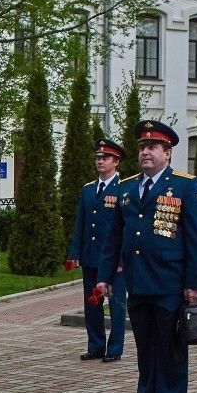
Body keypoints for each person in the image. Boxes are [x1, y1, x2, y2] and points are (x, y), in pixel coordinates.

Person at [100, 120, 197, 393]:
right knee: (145, 345)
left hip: (170, 281)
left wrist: (194, 283)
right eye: (142, 148)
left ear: (167, 153)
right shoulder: (127, 187)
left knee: (171, 346)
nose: (146, 152)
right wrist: (104, 276)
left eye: (153, 147)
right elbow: (114, 237)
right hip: (137, 280)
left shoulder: (186, 186)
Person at [68, 138, 127, 363]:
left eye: (106, 158)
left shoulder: (123, 188)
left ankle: (115, 348)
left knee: (116, 304)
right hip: (91, 255)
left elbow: (126, 228)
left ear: (116, 162)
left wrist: (122, 258)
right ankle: (96, 345)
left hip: (114, 259)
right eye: (98, 158)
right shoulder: (88, 190)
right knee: (92, 303)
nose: (100, 162)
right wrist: (75, 253)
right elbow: (80, 224)